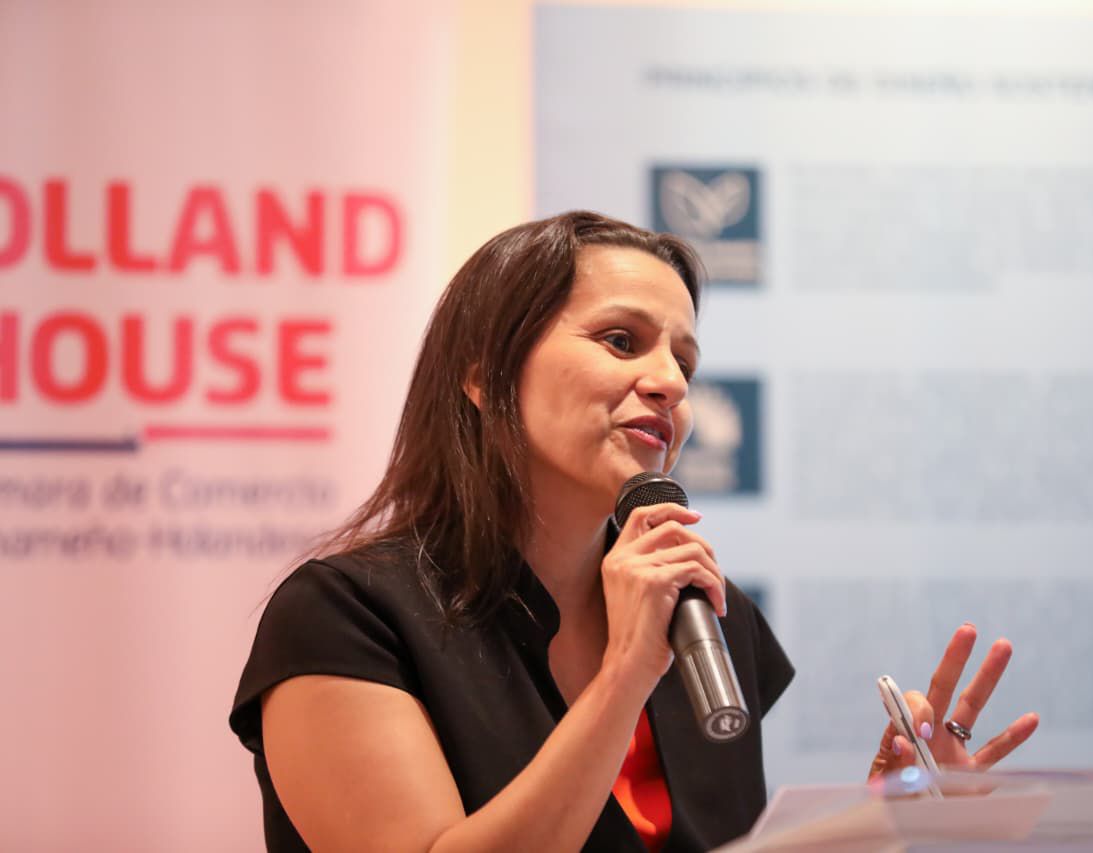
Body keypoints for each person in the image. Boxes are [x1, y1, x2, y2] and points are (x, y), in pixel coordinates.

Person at [230, 211, 1038, 852]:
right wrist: (625, 673)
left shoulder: (707, 615)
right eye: (622, 341)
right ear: (482, 372)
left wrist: (891, 820)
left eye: (684, 361)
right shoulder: (345, 614)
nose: (669, 383)